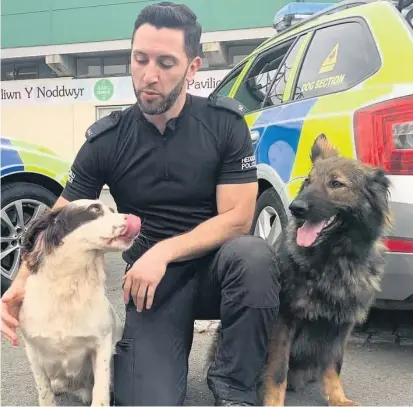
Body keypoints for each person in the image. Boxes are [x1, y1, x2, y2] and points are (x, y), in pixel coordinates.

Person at [1, 2, 281, 405]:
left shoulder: (224, 124)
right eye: (140, 59)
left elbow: (238, 218)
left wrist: (164, 250)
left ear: (193, 67)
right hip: (151, 288)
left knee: (254, 256)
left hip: (218, 273)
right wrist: (20, 285)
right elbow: (56, 221)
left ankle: (235, 388)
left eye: (166, 62)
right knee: (147, 399)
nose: (150, 75)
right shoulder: (108, 139)